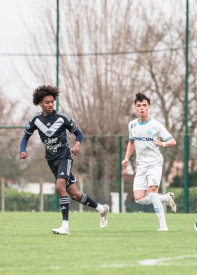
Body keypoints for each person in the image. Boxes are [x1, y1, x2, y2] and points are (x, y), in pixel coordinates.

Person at [19, 85, 109, 235]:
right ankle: (102, 209)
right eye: (46, 102)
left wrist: (76, 146)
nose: (50, 104)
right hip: (51, 160)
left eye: (52, 101)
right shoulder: (35, 119)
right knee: (74, 195)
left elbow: (79, 135)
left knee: (59, 187)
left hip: (64, 157)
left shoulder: (63, 118)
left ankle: (65, 226)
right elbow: (25, 136)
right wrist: (23, 150)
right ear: (40, 103)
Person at [121, 93, 177, 231]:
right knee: (138, 198)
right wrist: (126, 158)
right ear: (135, 108)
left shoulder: (156, 125)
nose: (141, 108)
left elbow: (172, 141)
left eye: (144, 105)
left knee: (152, 192)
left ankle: (163, 226)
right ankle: (165, 198)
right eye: (139, 106)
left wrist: (162, 144)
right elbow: (131, 142)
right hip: (141, 166)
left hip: (155, 164)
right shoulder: (132, 125)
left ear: (149, 107)